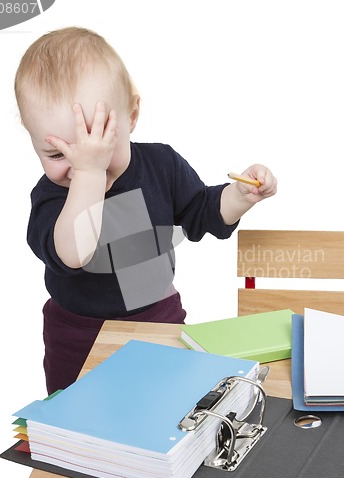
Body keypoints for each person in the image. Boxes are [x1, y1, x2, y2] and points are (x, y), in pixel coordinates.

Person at [14, 27, 277, 394]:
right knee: (80, 428)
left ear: (132, 115)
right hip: (78, 335)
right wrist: (91, 173)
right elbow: (73, 253)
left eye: (100, 147)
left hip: (158, 318)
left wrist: (239, 196)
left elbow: (201, 211)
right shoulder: (51, 197)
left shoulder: (161, 164)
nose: (78, 166)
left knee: (170, 409)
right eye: (57, 154)